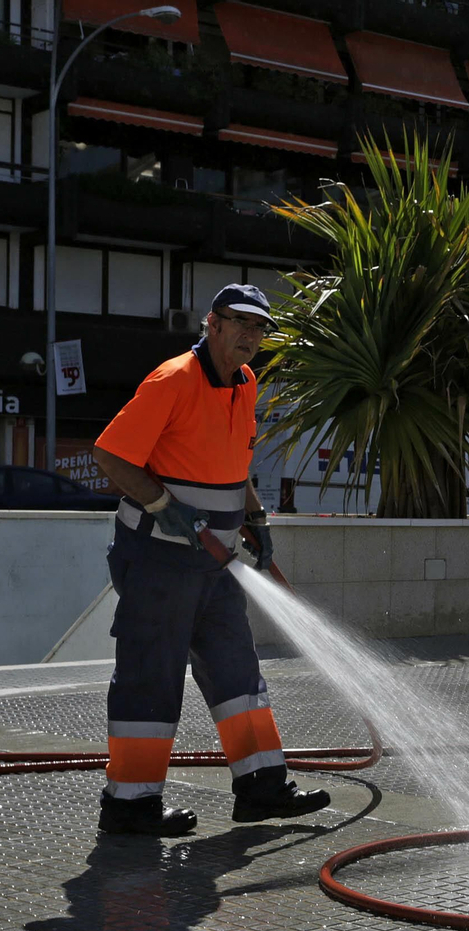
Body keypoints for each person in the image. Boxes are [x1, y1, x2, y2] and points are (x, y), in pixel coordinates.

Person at [90, 284, 329, 836]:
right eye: (239, 322)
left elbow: (233, 461)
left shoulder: (244, 383)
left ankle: (261, 789)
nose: (251, 335)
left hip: (215, 561)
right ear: (211, 324)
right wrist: (159, 504)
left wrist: (256, 517)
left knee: (237, 674)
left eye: (260, 327)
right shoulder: (173, 379)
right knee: (152, 677)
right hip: (157, 558)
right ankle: (130, 804)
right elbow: (109, 453)